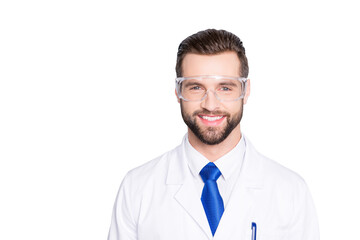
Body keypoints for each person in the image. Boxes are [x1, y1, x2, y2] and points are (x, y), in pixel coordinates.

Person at [107, 29, 319, 240]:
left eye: (225, 88)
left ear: (245, 92)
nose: (210, 104)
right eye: (196, 87)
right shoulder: (137, 188)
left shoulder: (290, 192)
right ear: (178, 93)